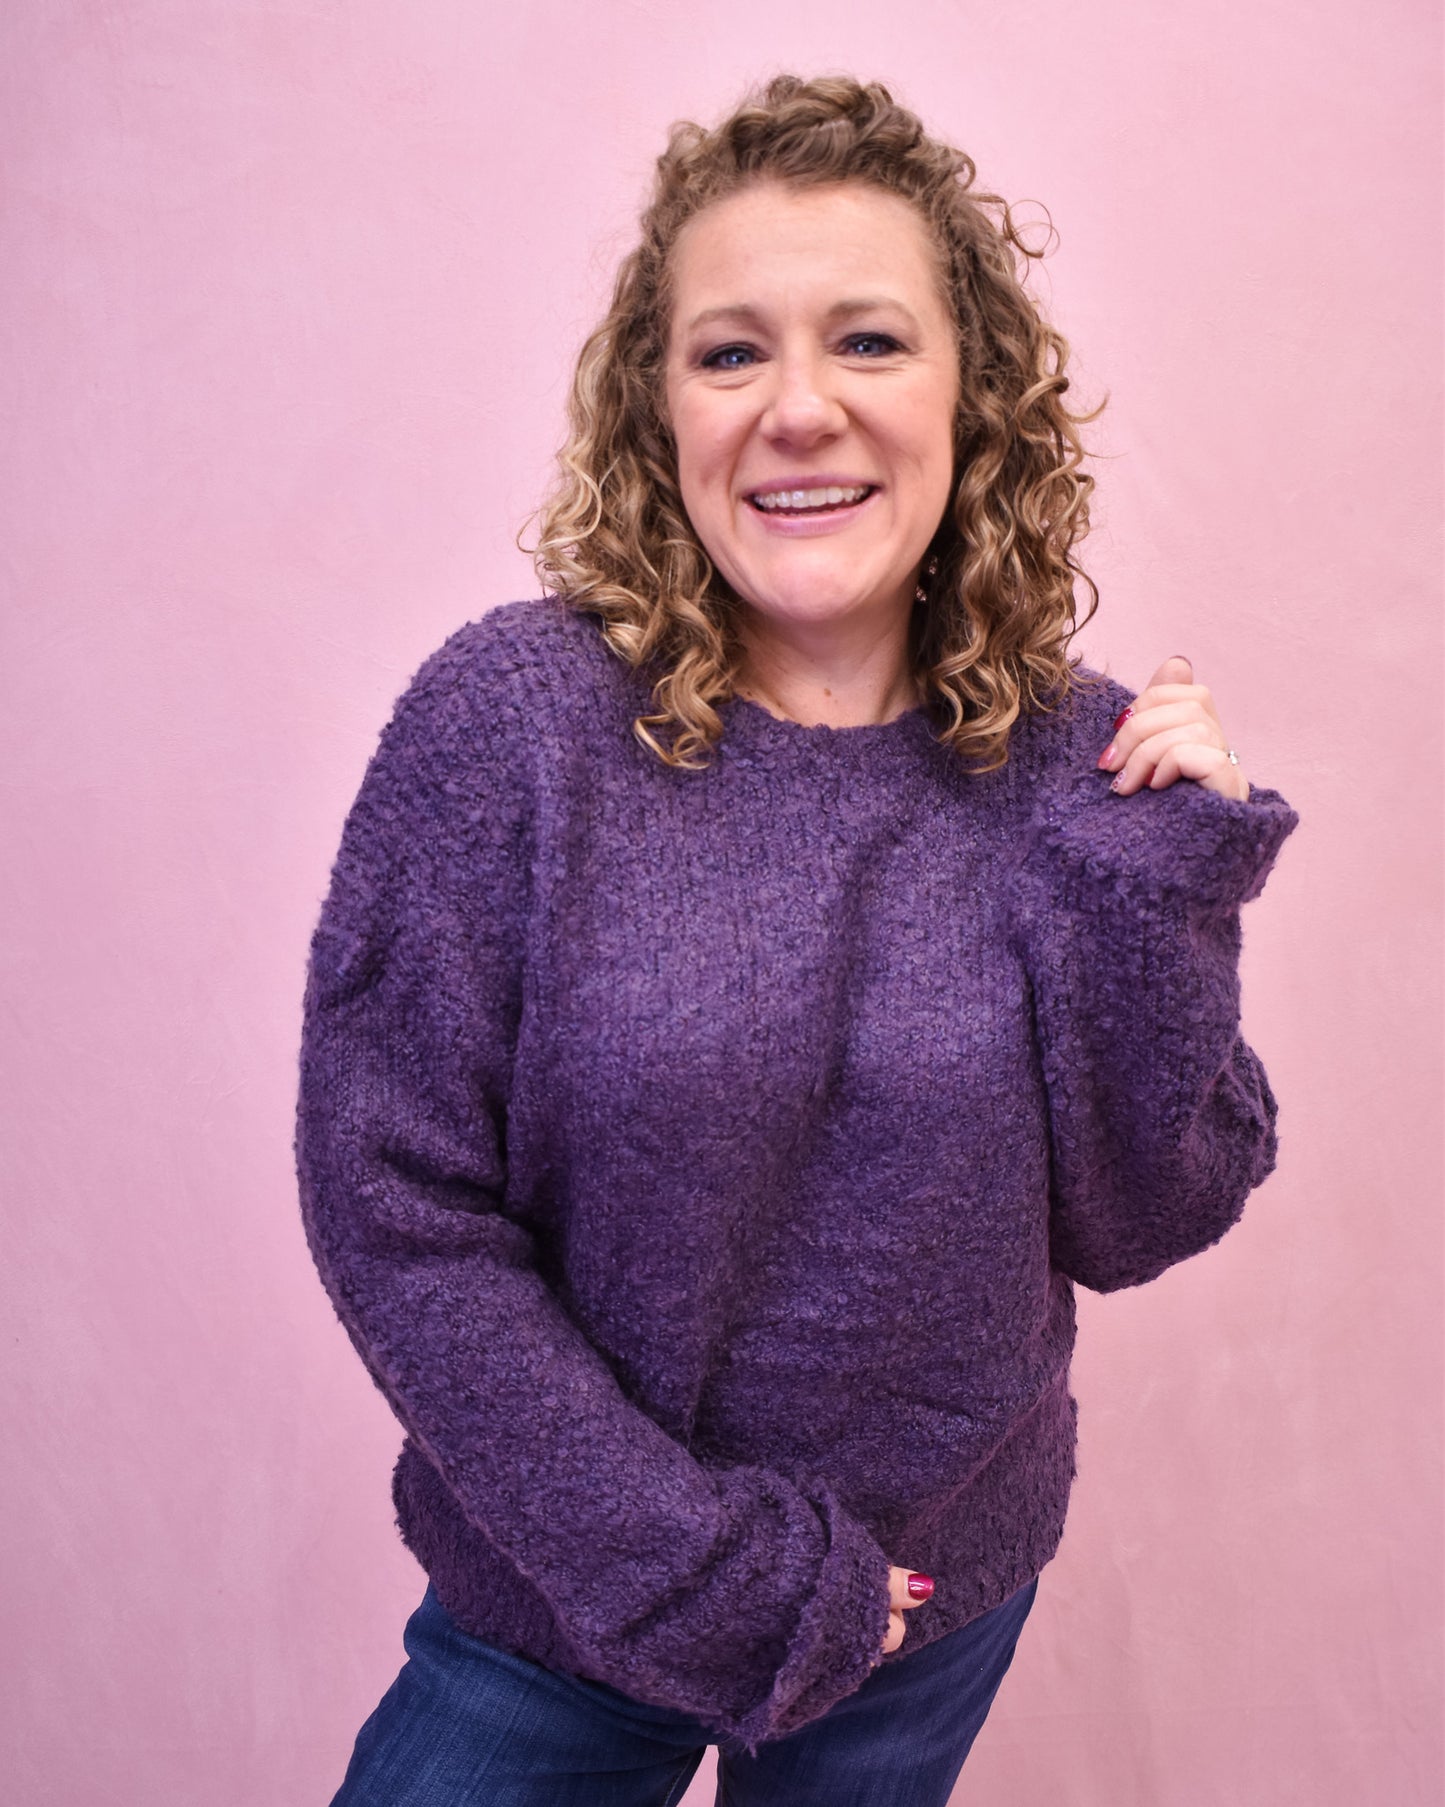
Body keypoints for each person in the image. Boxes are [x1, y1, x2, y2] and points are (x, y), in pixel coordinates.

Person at [295, 73, 1299, 1806]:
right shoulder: (509, 727)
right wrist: (694, 1567)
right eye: (731, 352)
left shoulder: (1079, 759)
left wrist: (1167, 885)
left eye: (869, 342)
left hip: (927, 1606)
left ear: (973, 399)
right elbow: (395, 1205)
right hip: (566, 1610)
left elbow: (1148, 1213)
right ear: (656, 410)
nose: (800, 409)